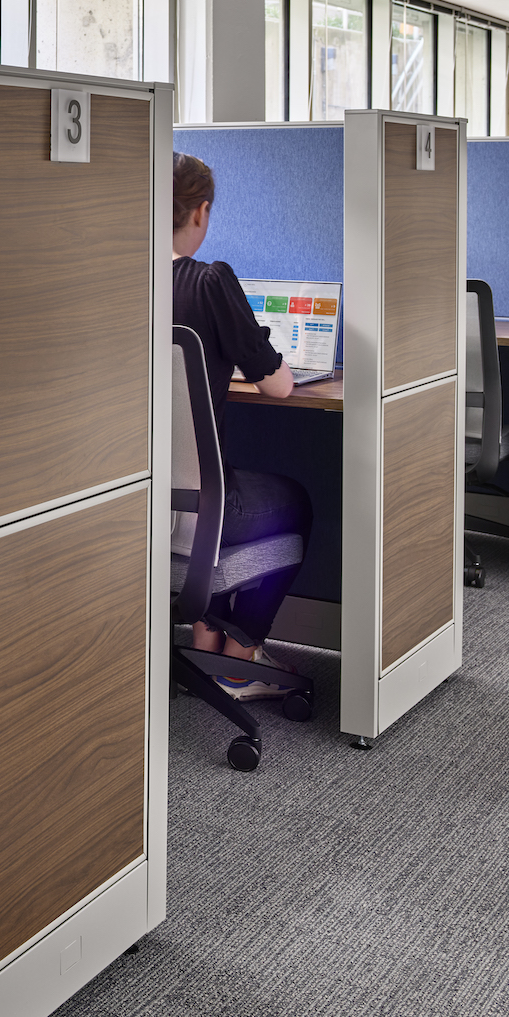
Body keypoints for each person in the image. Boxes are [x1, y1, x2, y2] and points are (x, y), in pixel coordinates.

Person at [170, 153, 314, 700]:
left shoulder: (118, 277)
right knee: (295, 501)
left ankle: (205, 640)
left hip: (135, 500)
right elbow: (277, 385)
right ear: (201, 212)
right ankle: (241, 657)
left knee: (227, 490)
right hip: (202, 503)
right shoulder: (210, 282)